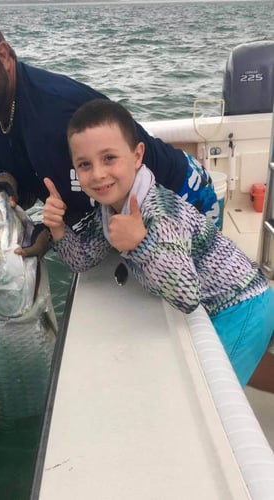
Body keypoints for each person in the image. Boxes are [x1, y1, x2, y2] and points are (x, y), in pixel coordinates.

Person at [0, 0, 220, 257]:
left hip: (184, 198)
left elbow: (94, 205)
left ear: (2, 55)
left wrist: (47, 234)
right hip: (120, 213)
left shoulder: (55, 115)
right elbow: (31, 181)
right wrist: (7, 184)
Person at [43, 98, 274, 390]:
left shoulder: (158, 212)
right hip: (229, 304)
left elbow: (187, 294)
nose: (98, 174)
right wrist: (59, 229)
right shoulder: (111, 206)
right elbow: (83, 259)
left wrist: (141, 244)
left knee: (209, 393)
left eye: (109, 158)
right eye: (85, 164)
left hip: (240, 304)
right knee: (249, 365)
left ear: (138, 155)